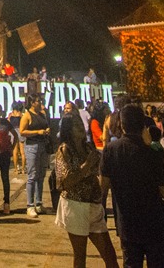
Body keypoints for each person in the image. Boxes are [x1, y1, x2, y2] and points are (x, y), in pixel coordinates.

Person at [102, 105, 164, 268]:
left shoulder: (111, 150)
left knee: (131, 262)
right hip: (154, 220)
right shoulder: (153, 152)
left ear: (121, 125)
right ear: (143, 125)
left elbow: (103, 187)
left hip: (127, 221)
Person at [53, 114, 119, 268]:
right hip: (75, 205)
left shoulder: (88, 147)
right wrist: (87, 165)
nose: (81, 128)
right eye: (76, 125)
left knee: (109, 254)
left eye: (81, 124)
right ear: (68, 129)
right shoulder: (64, 150)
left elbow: (99, 172)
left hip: (93, 204)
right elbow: (64, 182)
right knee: (80, 255)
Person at [20, 94, 51, 217]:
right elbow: (22, 131)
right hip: (32, 146)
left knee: (41, 175)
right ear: (32, 103)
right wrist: (37, 132)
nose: (40, 102)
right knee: (32, 176)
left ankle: (38, 203)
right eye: (38, 101)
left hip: (43, 146)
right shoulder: (27, 115)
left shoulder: (42, 114)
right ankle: (30, 205)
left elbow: (45, 126)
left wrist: (47, 131)